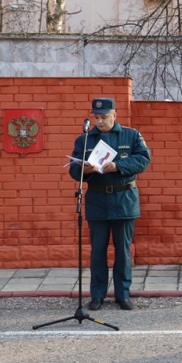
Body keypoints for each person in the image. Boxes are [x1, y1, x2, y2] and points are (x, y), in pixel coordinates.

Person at [69, 97, 151, 311]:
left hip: (123, 199)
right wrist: (84, 170)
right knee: (98, 250)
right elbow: (74, 169)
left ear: (115, 115)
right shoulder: (85, 139)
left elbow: (143, 160)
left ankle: (123, 294)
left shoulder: (130, 135)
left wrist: (118, 166)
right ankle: (97, 294)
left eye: (104, 116)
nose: (100, 121)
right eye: (96, 117)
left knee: (123, 251)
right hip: (97, 200)